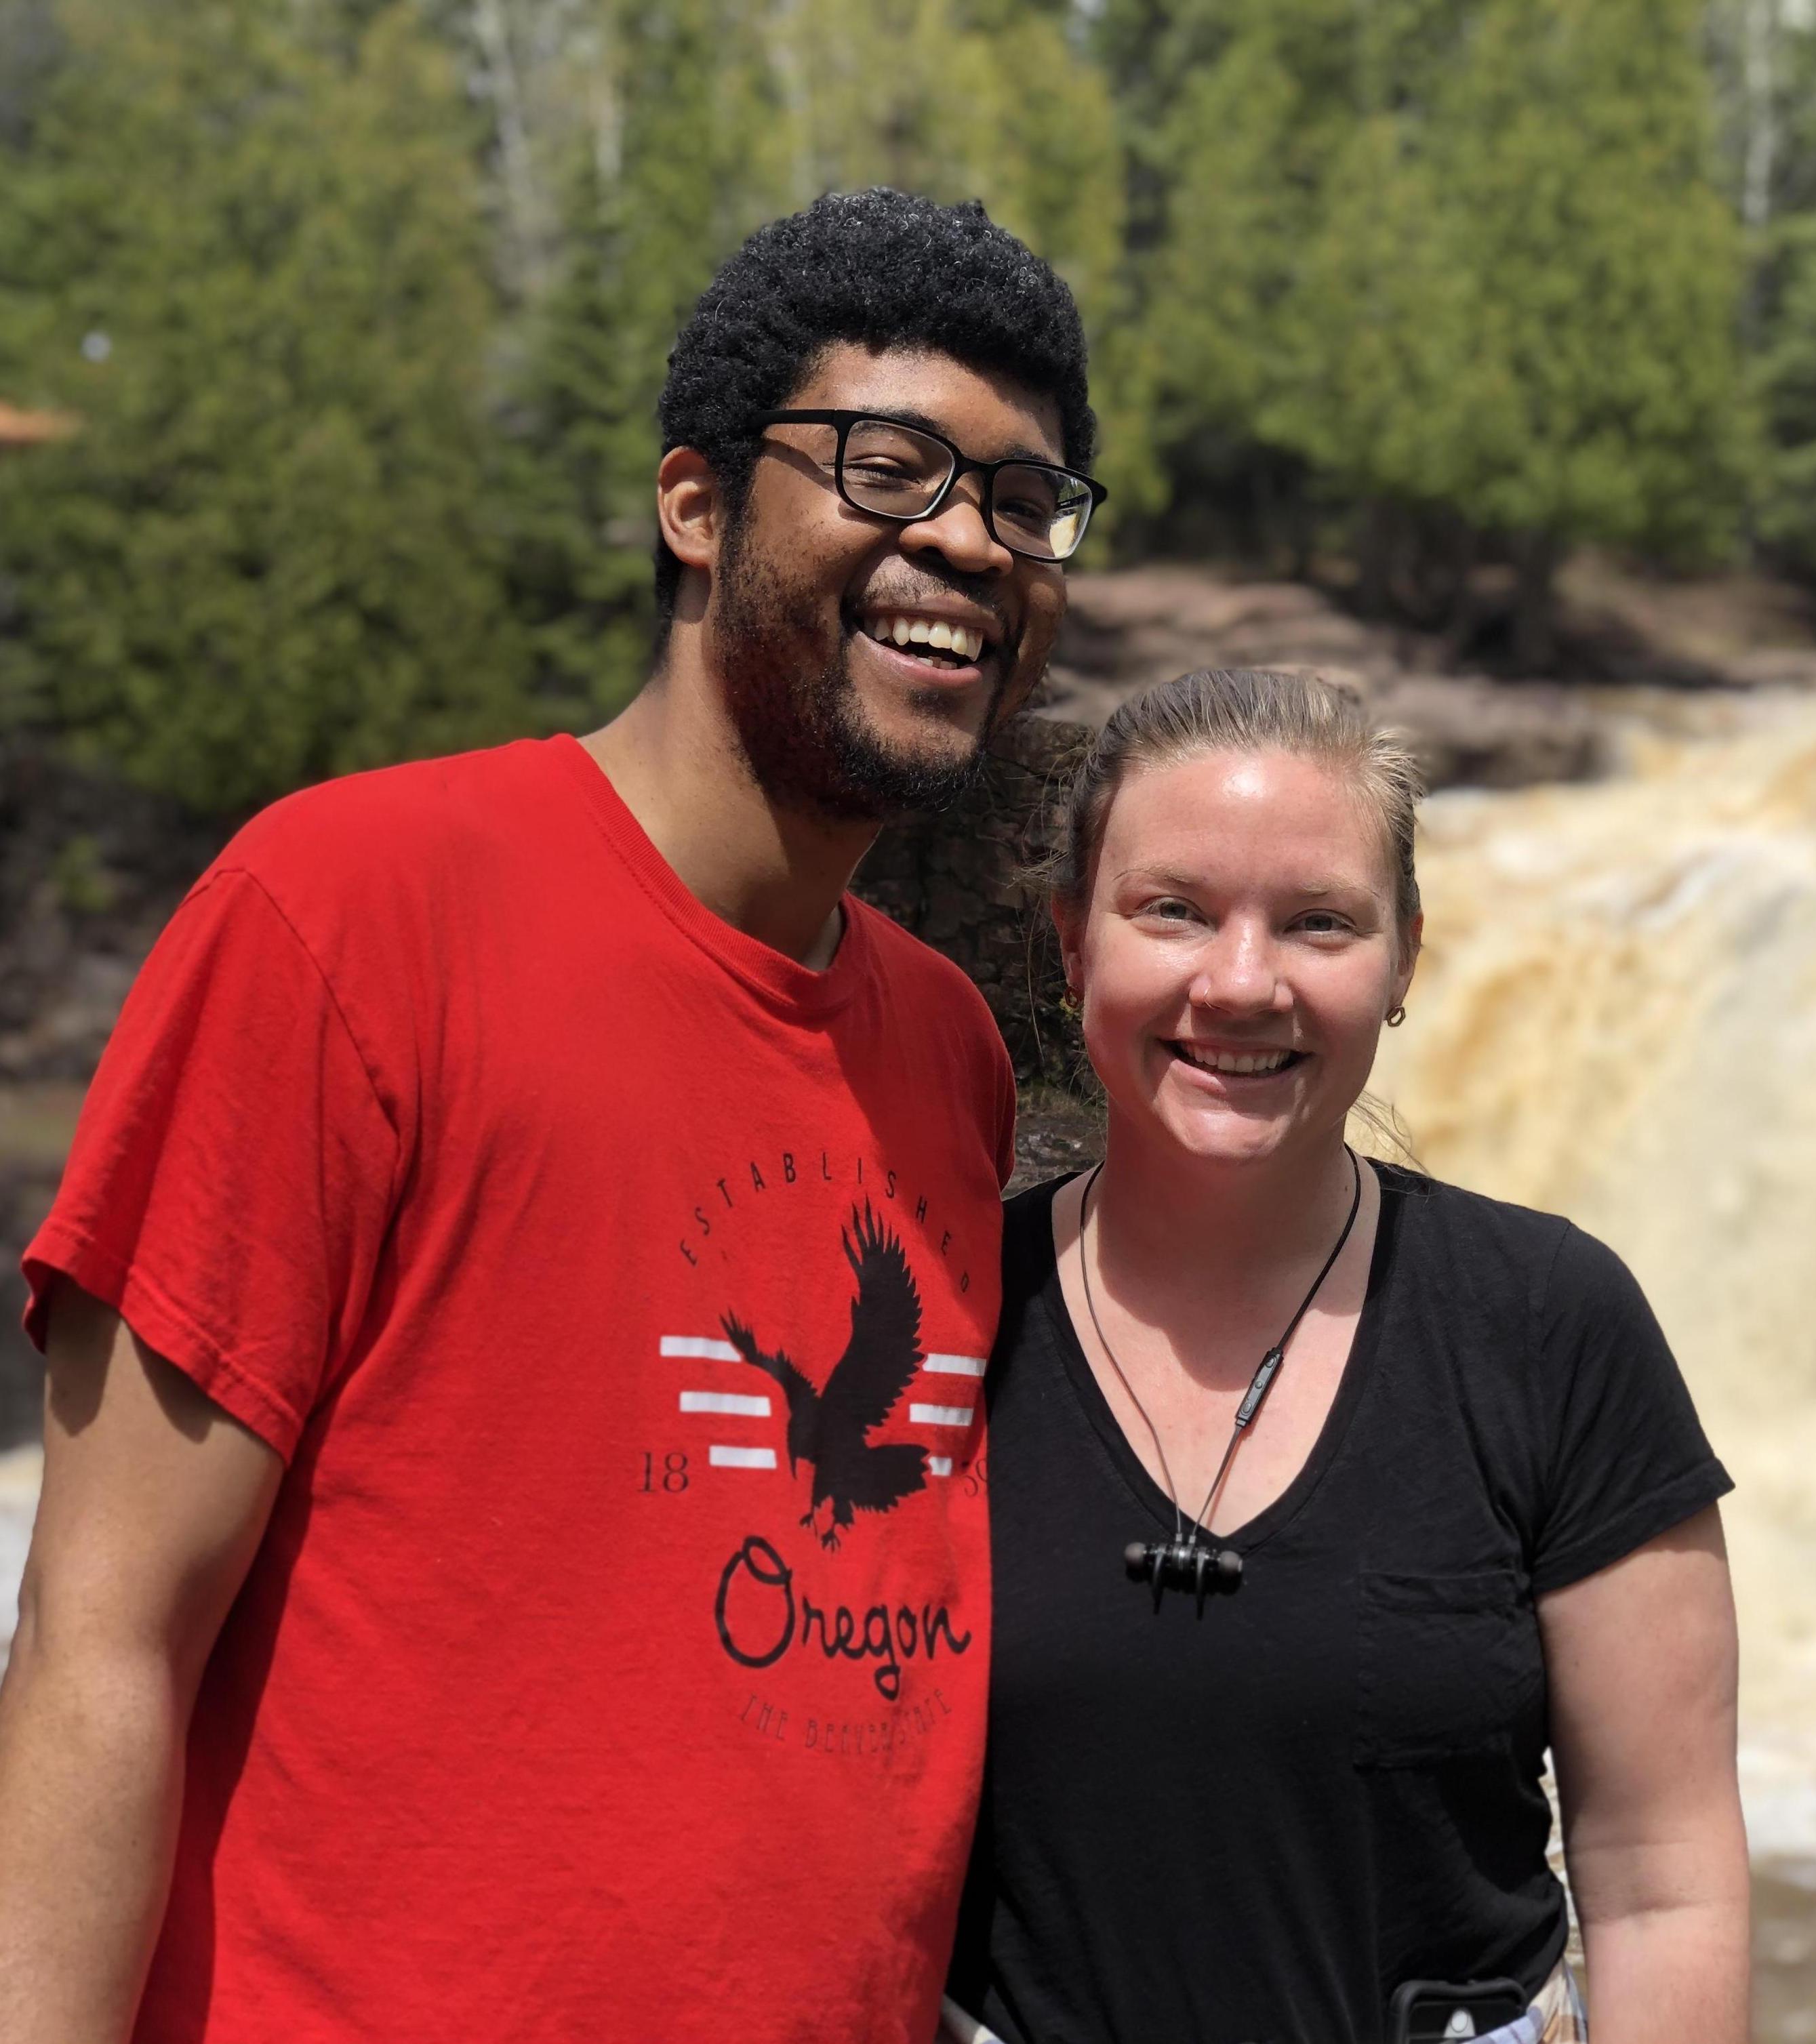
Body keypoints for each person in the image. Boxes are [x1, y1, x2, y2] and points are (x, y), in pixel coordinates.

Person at [0, 189, 1108, 2044]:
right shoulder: (349, 912)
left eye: (1025, 500)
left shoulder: (946, 1049)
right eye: (888, 467)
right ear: (695, 506)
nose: (968, 541)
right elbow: (98, 1639)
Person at [947, 670, 1749, 2044]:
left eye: (1317, 921)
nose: (1239, 981)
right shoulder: (946, 1315)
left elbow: (1659, 1876)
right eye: (1173, 909)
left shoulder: (1549, 1323)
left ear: (1403, 960)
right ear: (1072, 938)